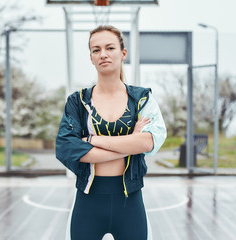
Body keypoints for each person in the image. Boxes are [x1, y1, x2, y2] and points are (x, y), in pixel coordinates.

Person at [56, 25, 167, 240]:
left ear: (123, 53)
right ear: (90, 57)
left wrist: (92, 140)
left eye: (110, 48)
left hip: (130, 202)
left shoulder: (141, 98)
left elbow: (147, 143)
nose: (103, 54)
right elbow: (68, 149)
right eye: (96, 50)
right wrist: (129, 144)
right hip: (88, 202)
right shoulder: (77, 102)